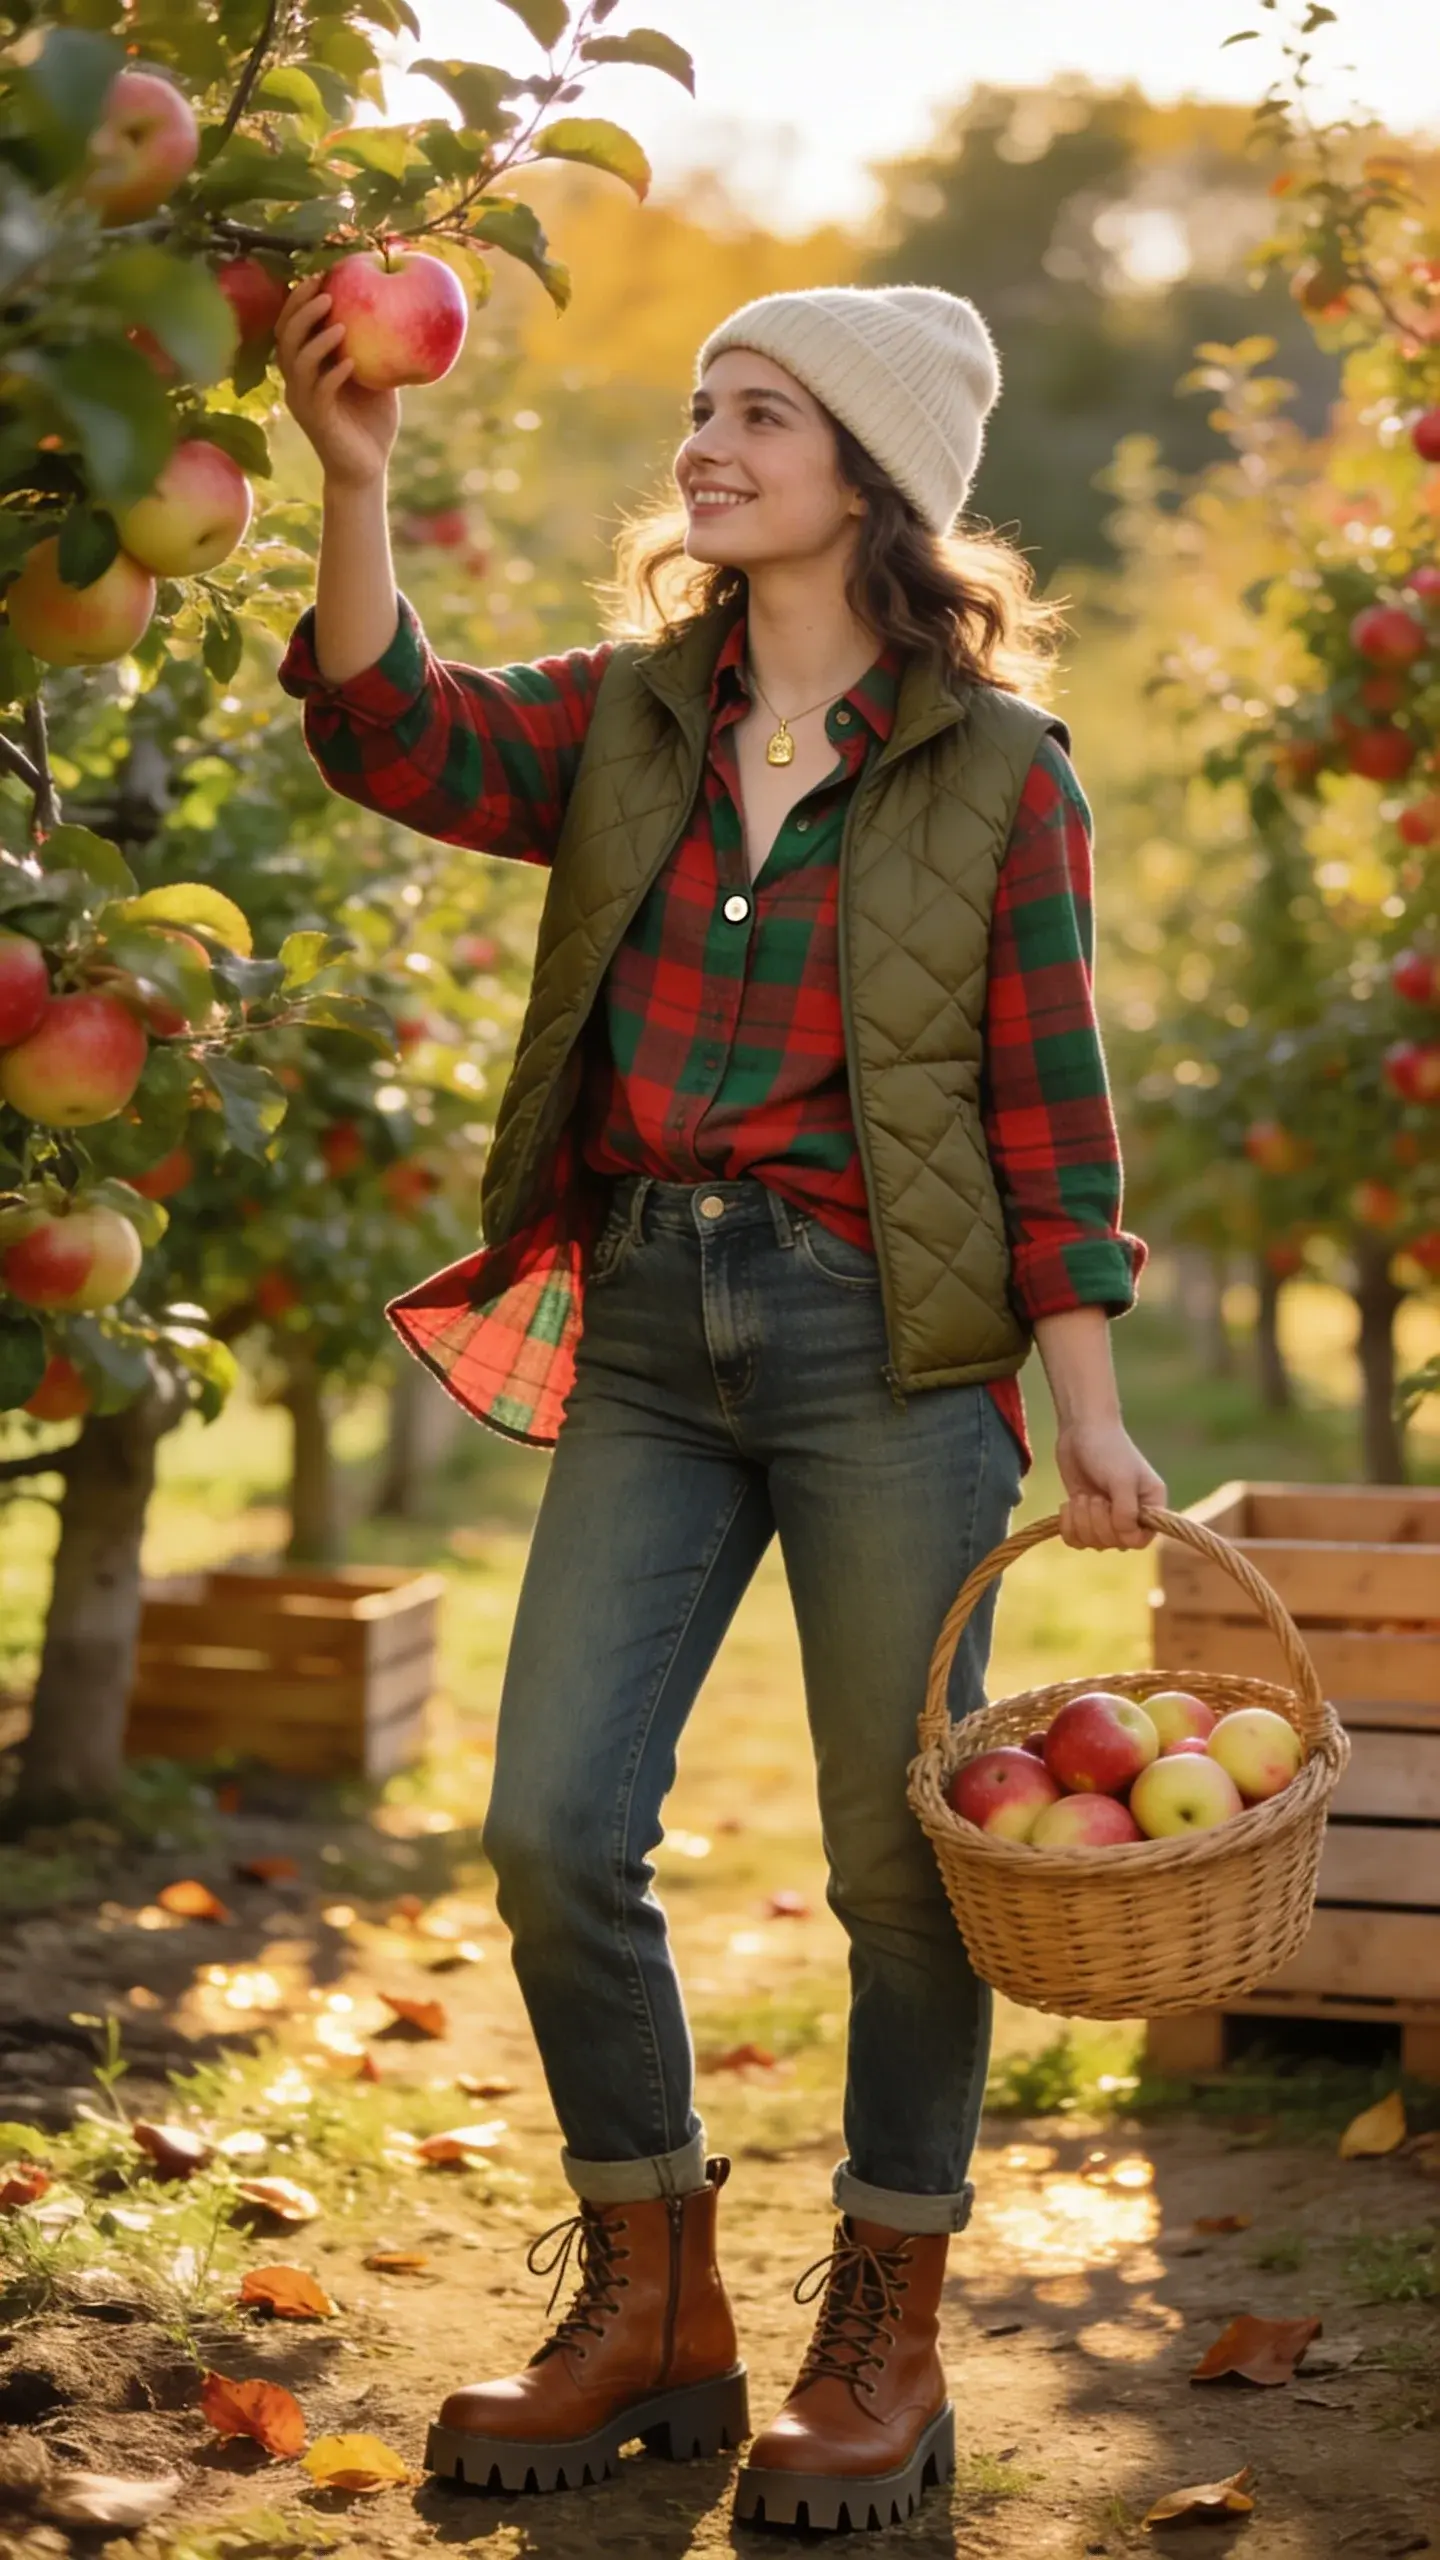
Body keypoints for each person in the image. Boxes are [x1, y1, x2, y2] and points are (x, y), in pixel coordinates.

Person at [277, 274, 1167, 2535]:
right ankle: (654, 2296)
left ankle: (892, 2323)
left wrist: (1089, 1406)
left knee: (901, 1870)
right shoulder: (632, 717)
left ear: (870, 478)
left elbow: (1055, 1120)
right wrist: (354, 484)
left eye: (760, 413)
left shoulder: (999, 773)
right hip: (657, 1329)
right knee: (553, 1827)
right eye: (700, 404)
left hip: (894, 1355)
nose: (707, 441)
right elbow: (400, 738)